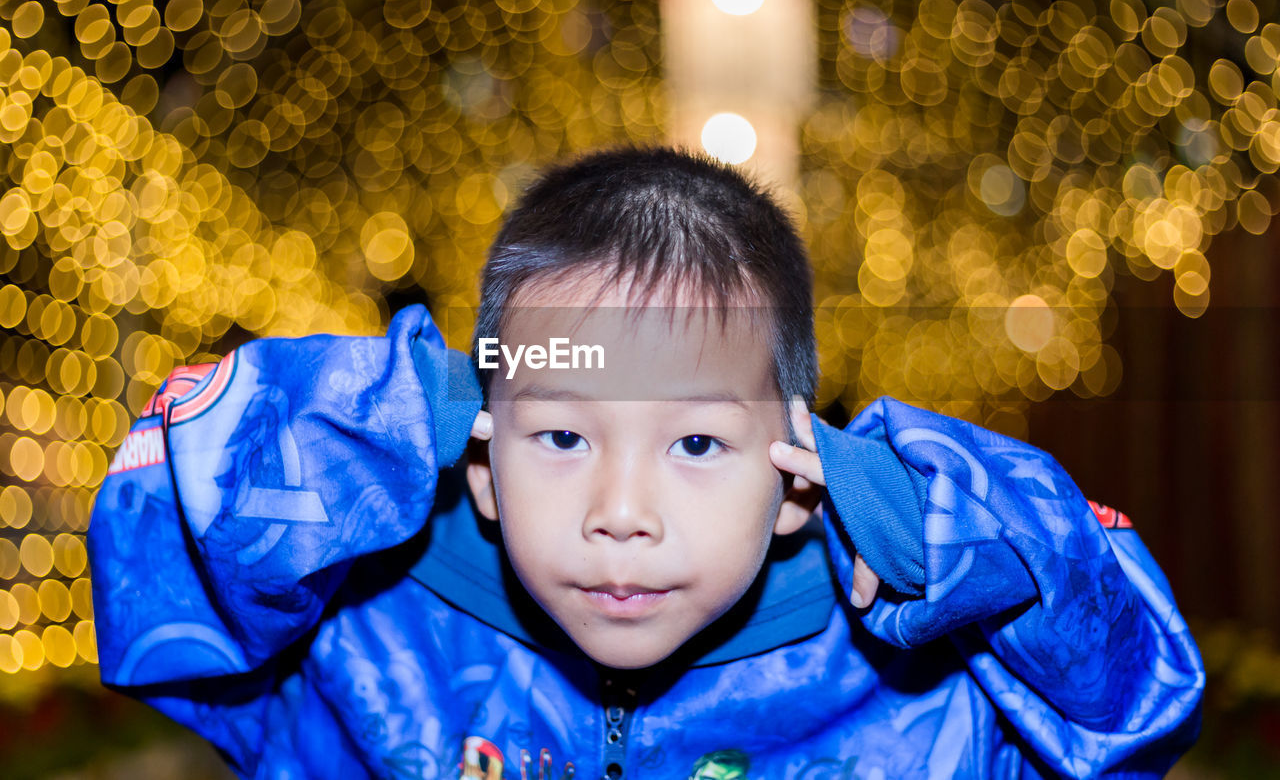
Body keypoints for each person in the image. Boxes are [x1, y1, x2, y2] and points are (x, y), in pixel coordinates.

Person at [88, 148, 1204, 779]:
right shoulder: (366, 641)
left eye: (699, 443)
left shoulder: (922, 701)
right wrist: (396, 410)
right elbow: (159, 561)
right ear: (479, 463)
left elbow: (1133, 700)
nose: (621, 510)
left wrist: (938, 531)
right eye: (563, 436)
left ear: (793, 479)